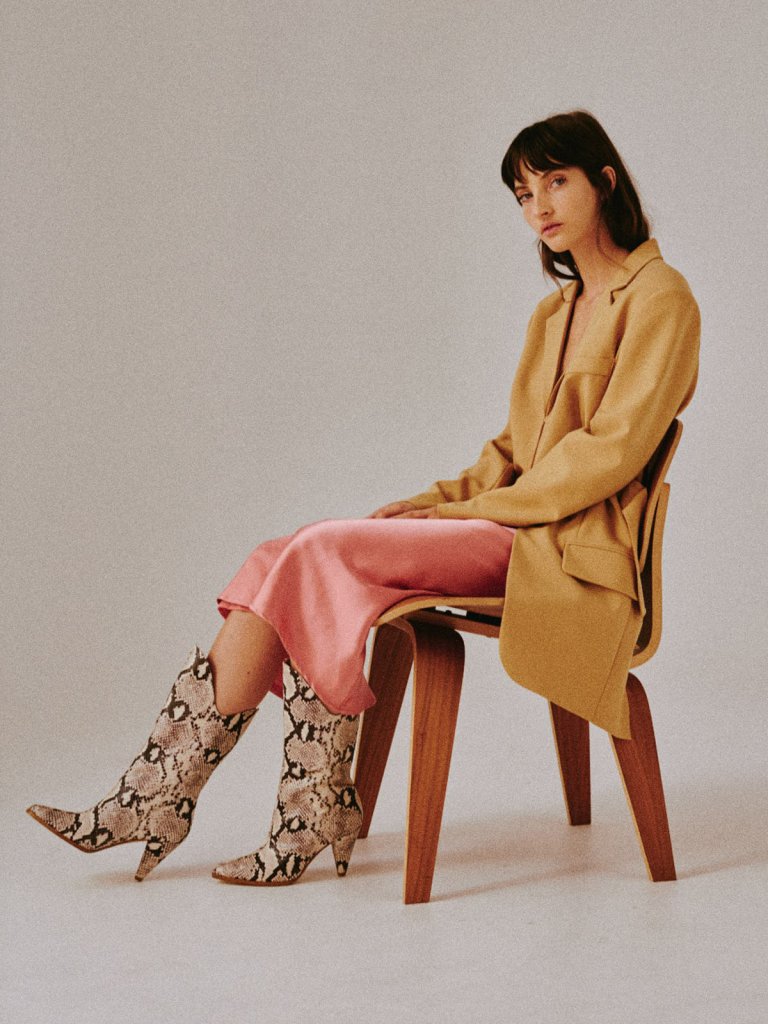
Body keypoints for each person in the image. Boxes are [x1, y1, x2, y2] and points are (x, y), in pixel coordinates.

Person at [26, 108, 701, 887]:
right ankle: (166, 797)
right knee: (281, 554)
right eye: (522, 194)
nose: (538, 207)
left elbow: (608, 453)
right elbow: (511, 454)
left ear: (604, 182)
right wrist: (429, 502)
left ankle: (264, 808)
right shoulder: (556, 313)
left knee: (318, 552)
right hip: (510, 524)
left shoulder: (660, 297)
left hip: (566, 546)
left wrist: (460, 516)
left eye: (555, 182)